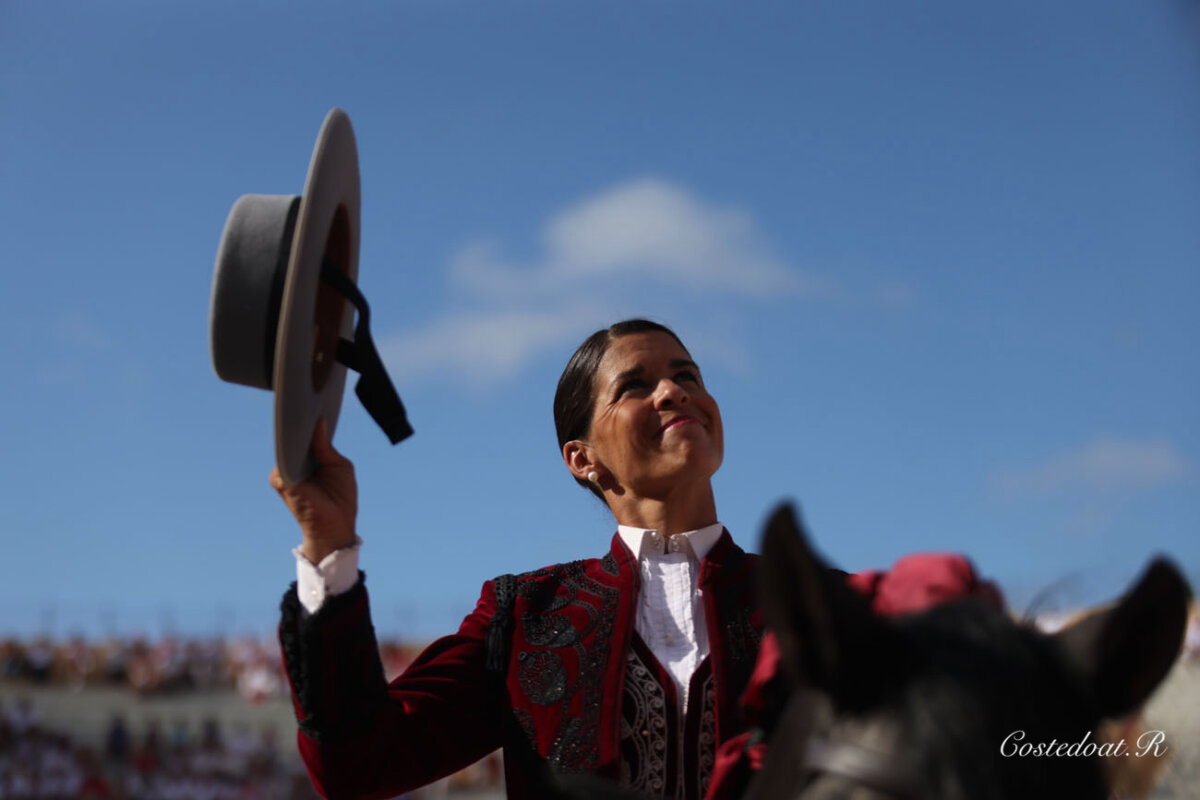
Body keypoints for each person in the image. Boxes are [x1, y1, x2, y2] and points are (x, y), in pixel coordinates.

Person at [272, 319, 999, 800]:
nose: (674, 391)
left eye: (687, 375)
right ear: (581, 459)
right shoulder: (524, 616)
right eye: (635, 385)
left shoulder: (824, 608)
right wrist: (330, 548)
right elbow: (358, 764)